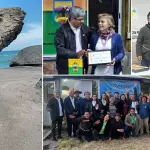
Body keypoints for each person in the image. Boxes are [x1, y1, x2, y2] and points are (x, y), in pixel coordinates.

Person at [54, 6, 91, 74]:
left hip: (82, 66)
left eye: (83, 19)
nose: (82, 21)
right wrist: (75, 54)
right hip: (66, 67)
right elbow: (60, 49)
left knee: (81, 84)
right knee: (67, 85)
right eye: (80, 19)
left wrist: (88, 51)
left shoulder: (86, 29)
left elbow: (91, 42)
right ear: (71, 18)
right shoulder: (61, 30)